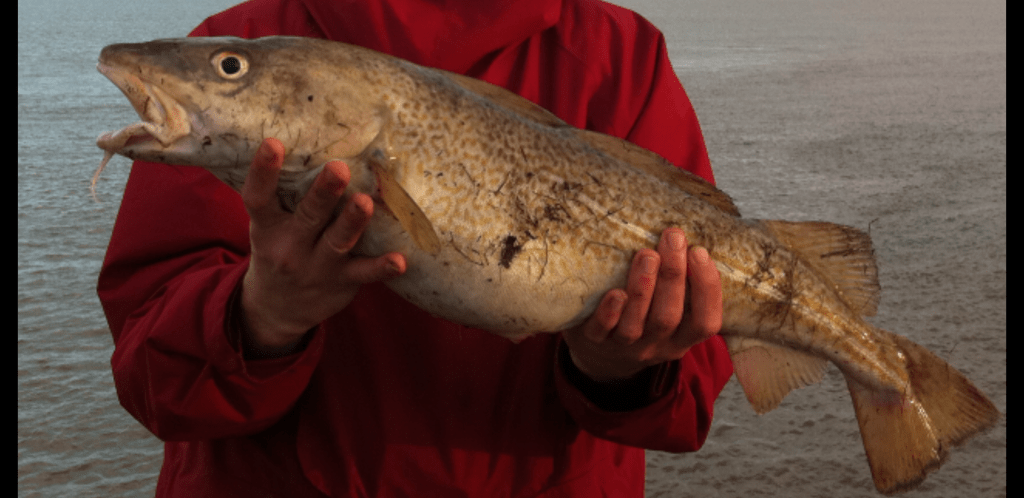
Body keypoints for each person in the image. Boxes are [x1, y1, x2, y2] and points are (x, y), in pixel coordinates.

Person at [97, 0, 734, 495]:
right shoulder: (239, 42)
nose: (228, 70)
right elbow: (154, 382)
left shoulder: (620, 57)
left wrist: (619, 369)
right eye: (230, 70)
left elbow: (691, 392)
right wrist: (263, 316)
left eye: (230, 70)